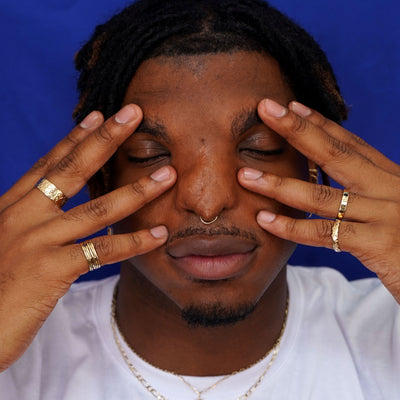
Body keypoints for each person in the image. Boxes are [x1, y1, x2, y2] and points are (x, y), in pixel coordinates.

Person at [0, 0, 399, 398]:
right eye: (149, 156)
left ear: (311, 167)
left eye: (261, 148)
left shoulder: (388, 330)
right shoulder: (15, 344)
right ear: (100, 180)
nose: (207, 204)